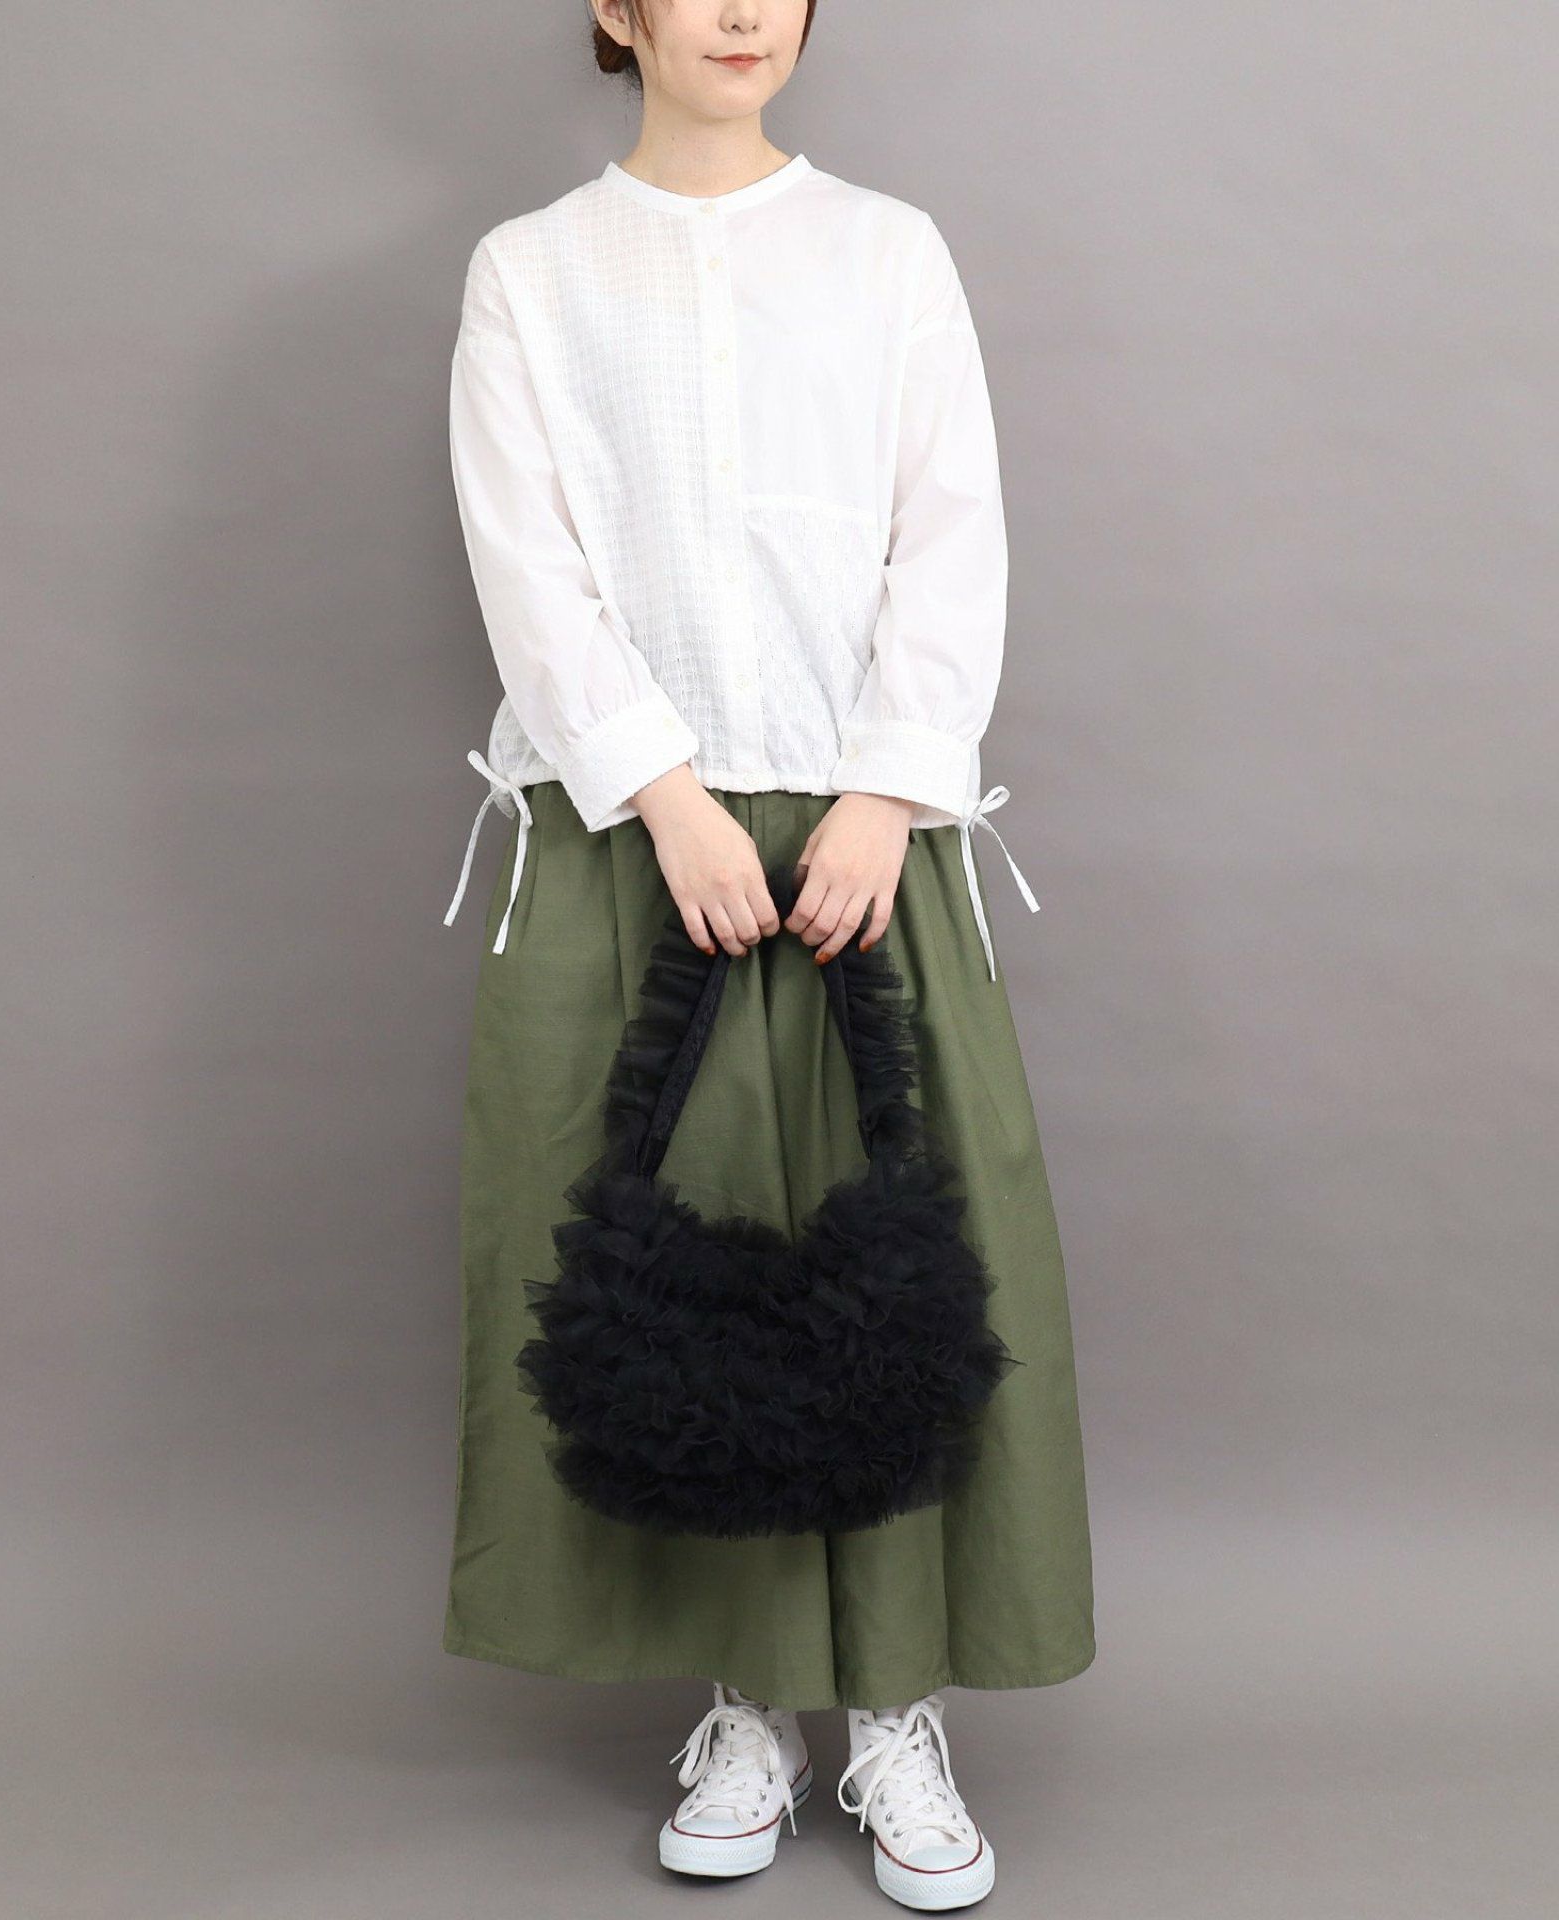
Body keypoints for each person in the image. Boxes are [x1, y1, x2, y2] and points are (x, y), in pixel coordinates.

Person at [439, 2, 1095, 1908]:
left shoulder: (889, 252)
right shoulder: (534, 272)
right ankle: (746, 1708)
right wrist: (665, 793)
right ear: (615, 9)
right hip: (637, 836)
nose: (744, 9)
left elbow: (949, 535)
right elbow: (529, 560)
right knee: (688, 1267)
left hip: (864, 831)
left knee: (885, 1269)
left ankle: (896, 1713)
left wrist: (887, 795)